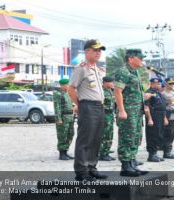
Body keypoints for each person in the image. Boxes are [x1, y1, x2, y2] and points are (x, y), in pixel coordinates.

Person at [68, 39, 107, 181]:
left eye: (100, 50)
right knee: (85, 139)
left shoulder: (97, 69)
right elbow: (71, 88)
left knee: (96, 139)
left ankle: (91, 167)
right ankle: (81, 171)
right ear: (87, 51)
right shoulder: (81, 68)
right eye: (95, 50)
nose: (98, 53)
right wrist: (79, 104)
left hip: (99, 106)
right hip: (87, 106)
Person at [114, 48, 151, 176]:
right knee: (126, 137)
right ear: (131, 58)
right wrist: (122, 110)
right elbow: (117, 91)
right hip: (128, 111)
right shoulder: (123, 72)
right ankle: (125, 166)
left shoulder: (135, 72)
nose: (142, 60)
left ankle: (131, 163)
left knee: (135, 137)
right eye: (140, 58)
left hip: (136, 111)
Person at [144, 78, 168, 162]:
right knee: (152, 136)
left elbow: (163, 107)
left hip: (160, 116)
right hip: (153, 116)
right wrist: (149, 119)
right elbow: (146, 107)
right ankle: (151, 155)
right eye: (157, 83)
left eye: (159, 83)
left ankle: (155, 153)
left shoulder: (158, 93)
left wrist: (165, 118)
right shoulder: (149, 92)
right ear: (152, 84)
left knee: (159, 135)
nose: (159, 85)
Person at [53, 79, 75, 160]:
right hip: (63, 117)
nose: (68, 86)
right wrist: (58, 119)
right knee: (62, 135)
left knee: (70, 134)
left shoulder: (67, 93)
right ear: (62, 85)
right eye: (67, 85)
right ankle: (62, 153)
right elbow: (57, 107)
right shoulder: (58, 94)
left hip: (70, 117)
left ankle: (65, 151)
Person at [99, 76, 116, 161]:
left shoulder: (110, 91)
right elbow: (99, 105)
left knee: (109, 134)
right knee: (104, 135)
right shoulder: (101, 91)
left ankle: (106, 151)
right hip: (104, 115)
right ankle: (102, 154)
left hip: (110, 116)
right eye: (111, 82)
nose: (113, 84)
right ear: (105, 83)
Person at [161, 78, 174, 159]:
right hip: (169, 117)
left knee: (173, 134)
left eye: (172, 83)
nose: (172, 85)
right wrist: (165, 118)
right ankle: (166, 152)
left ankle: (170, 150)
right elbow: (163, 108)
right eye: (170, 83)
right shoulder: (163, 94)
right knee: (168, 134)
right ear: (165, 84)